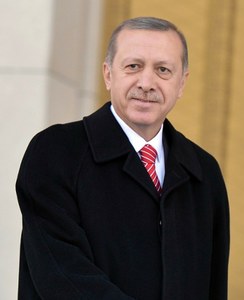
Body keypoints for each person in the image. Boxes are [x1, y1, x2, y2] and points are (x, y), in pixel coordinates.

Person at [16, 17, 229, 299]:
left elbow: (213, 286)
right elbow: (61, 274)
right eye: (133, 66)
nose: (146, 82)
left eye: (163, 70)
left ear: (181, 83)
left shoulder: (203, 172)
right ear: (108, 74)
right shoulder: (56, 152)